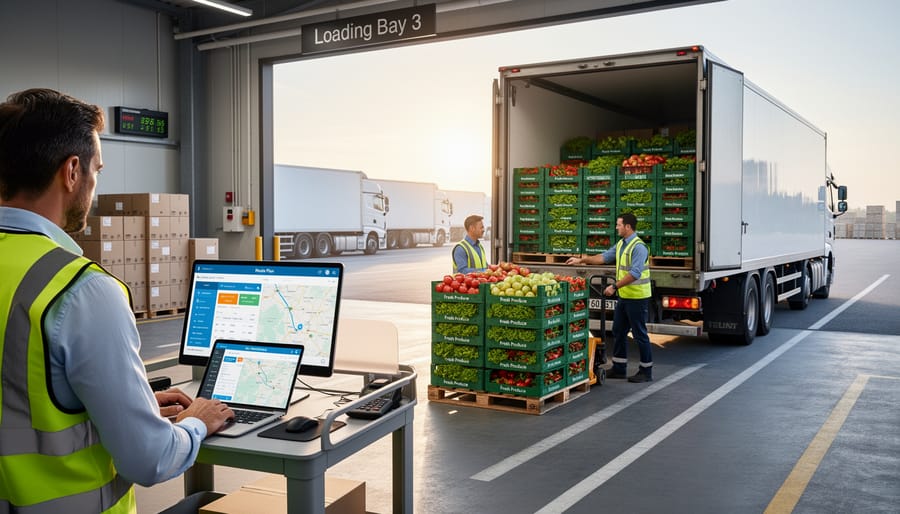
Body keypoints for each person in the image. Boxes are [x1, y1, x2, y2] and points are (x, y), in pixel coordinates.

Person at [0, 88, 234, 513]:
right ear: (72, 172)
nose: (95, 183)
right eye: (97, 170)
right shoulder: (80, 290)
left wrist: (126, 406)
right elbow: (151, 459)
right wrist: (196, 423)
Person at [566, 212, 653, 382]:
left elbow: (635, 273)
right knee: (618, 331)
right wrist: (581, 260)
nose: (616, 227)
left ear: (628, 226)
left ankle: (646, 371)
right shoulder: (621, 244)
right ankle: (619, 368)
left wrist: (614, 286)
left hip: (637, 298)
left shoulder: (638, 247)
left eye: (619, 225)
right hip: (625, 297)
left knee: (639, 334)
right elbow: (603, 257)